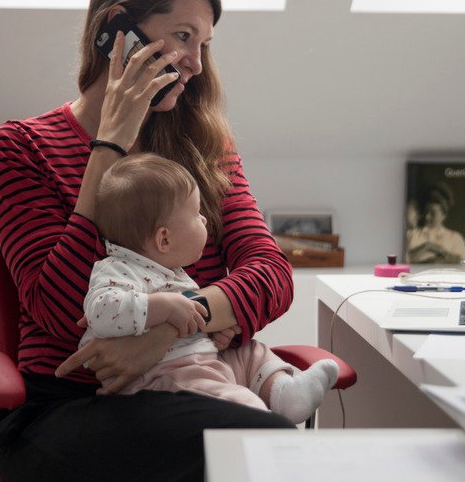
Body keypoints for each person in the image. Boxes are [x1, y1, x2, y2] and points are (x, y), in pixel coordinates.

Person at [0, 0, 303, 481]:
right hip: (71, 407)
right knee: (261, 447)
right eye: (182, 36)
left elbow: (272, 275)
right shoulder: (22, 146)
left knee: (257, 447)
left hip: (194, 386)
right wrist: (108, 145)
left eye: (203, 44)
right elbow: (58, 312)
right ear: (117, 28)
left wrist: (165, 331)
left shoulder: (206, 147)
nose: (196, 63)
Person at [84, 153, 338, 423]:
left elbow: (269, 270)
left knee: (250, 351)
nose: (205, 220)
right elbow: (100, 312)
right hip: (164, 377)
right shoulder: (118, 269)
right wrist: (164, 307)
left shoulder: (171, 270)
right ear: (164, 239)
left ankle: (285, 394)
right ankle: (258, 416)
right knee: (239, 404)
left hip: (196, 359)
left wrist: (213, 333)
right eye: (196, 214)